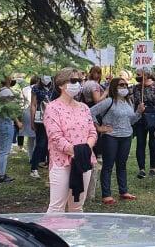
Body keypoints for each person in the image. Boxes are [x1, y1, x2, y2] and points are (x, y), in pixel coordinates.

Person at [44, 68, 98, 213]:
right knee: (57, 207)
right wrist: (75, 151)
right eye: (73, 81)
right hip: (62, 161)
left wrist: (85, 150)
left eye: (80, 81)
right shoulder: (52, 108)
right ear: (61, 84)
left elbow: (92, 131)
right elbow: (55, 137)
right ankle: (53, 235)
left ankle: (74, 235)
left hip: (83, 160)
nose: (78, 84)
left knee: (77, 206)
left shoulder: (84, 108)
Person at [90, 78, 144, 204]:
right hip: (111, 137)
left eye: (126, 85)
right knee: (108, 165)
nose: (124, 87)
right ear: (114, 87)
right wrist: (99, 127)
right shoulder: (109, 101)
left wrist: (138, 113)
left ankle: (123, 191)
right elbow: (90, 112)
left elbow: (131, 120)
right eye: (121, 85)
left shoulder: (129, 102)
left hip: (126, 136)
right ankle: (106, 194)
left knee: (122, 165)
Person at [132, 67, 155, 179]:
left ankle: (153, 168)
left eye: (139, 74)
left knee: (153, 144)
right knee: (140, 143)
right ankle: (141, 169)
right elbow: (134, 100)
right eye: (137, 74)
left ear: (147, 74)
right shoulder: (136, 88)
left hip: (153, 117)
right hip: (140, 118)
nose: (138, 76)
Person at [0, 77, 20, 183]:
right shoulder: (7, 91)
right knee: (4, 151)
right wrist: (18, 122)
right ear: (7, 80)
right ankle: (1, 175)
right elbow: (10, 109)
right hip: (5, 123)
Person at [29, 74, 54, 178]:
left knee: (52, 143)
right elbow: (33, 105)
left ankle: (51, 166)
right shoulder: (36, 88)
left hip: (54, 119)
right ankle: (34, 168)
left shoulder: (54, 87)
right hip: (41, 119)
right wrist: (32, 120)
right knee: (41, 143)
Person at [20, 76, 38, 159]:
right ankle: (35, 156)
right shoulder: (38, 88)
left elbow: (21, 103)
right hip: (36, 111)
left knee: (30, 136)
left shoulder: (25, 89)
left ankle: (31, 156)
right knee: (36, 136)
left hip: (26, 112)